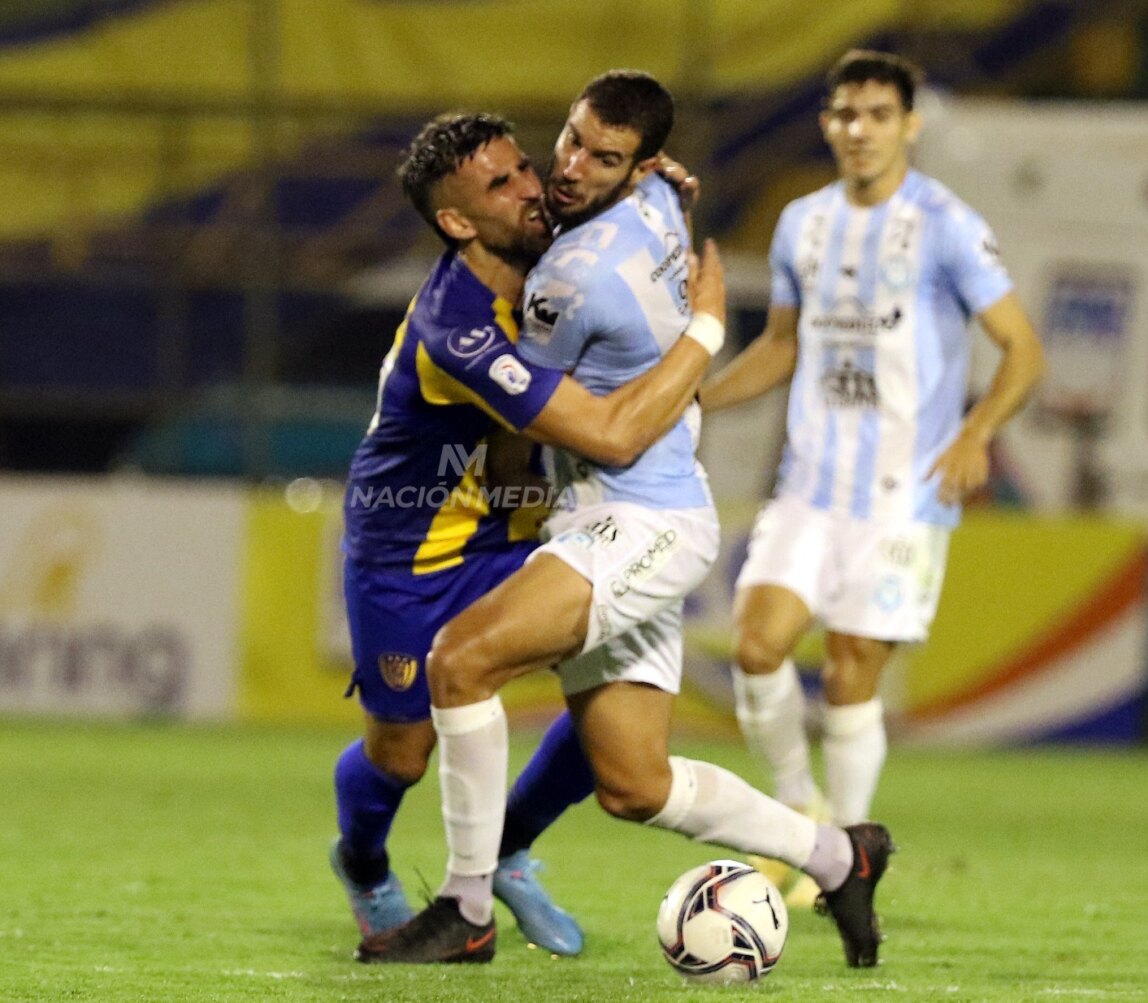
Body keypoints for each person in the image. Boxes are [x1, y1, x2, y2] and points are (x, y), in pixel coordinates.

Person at [357, 69, 894, 971]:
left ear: (636, 159)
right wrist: (651, 184)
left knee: (460, 662)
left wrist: (709, 331)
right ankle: (842, 854)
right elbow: (620, 212)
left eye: (595, 156)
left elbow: (607, 435)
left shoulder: (565, 281)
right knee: (634, 784)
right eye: (562, 143)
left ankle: (467, 905)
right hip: (631, 513)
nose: (555, 174)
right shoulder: (652, 201)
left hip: (637, 519)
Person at [333, 110, 724, 957]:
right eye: (499, 185)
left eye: (523, 167)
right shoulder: (457, 326)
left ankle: (501, 852)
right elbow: (613, 434)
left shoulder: (557, 251)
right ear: (457, 222)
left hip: (518, 522)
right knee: (401, 754)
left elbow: (631, 211)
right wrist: (709, 329)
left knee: (607, 707)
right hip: (412, 547)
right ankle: (363, 863)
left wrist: (656, 185)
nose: (530, 188)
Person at [698, 50, 1045, 903]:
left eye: (878, 115)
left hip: (905, 495)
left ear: (910, 125)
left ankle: (846, 854)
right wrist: (693, 399)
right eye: (845, 114)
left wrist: (976, 433)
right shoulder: (801, 224)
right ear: (827, 124)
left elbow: (1023, 351)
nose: (859, 131)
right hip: (809, 484)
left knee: (854, 668)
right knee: (756, 643)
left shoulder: (946, 225)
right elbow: (781, 346)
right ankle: (796, 815)